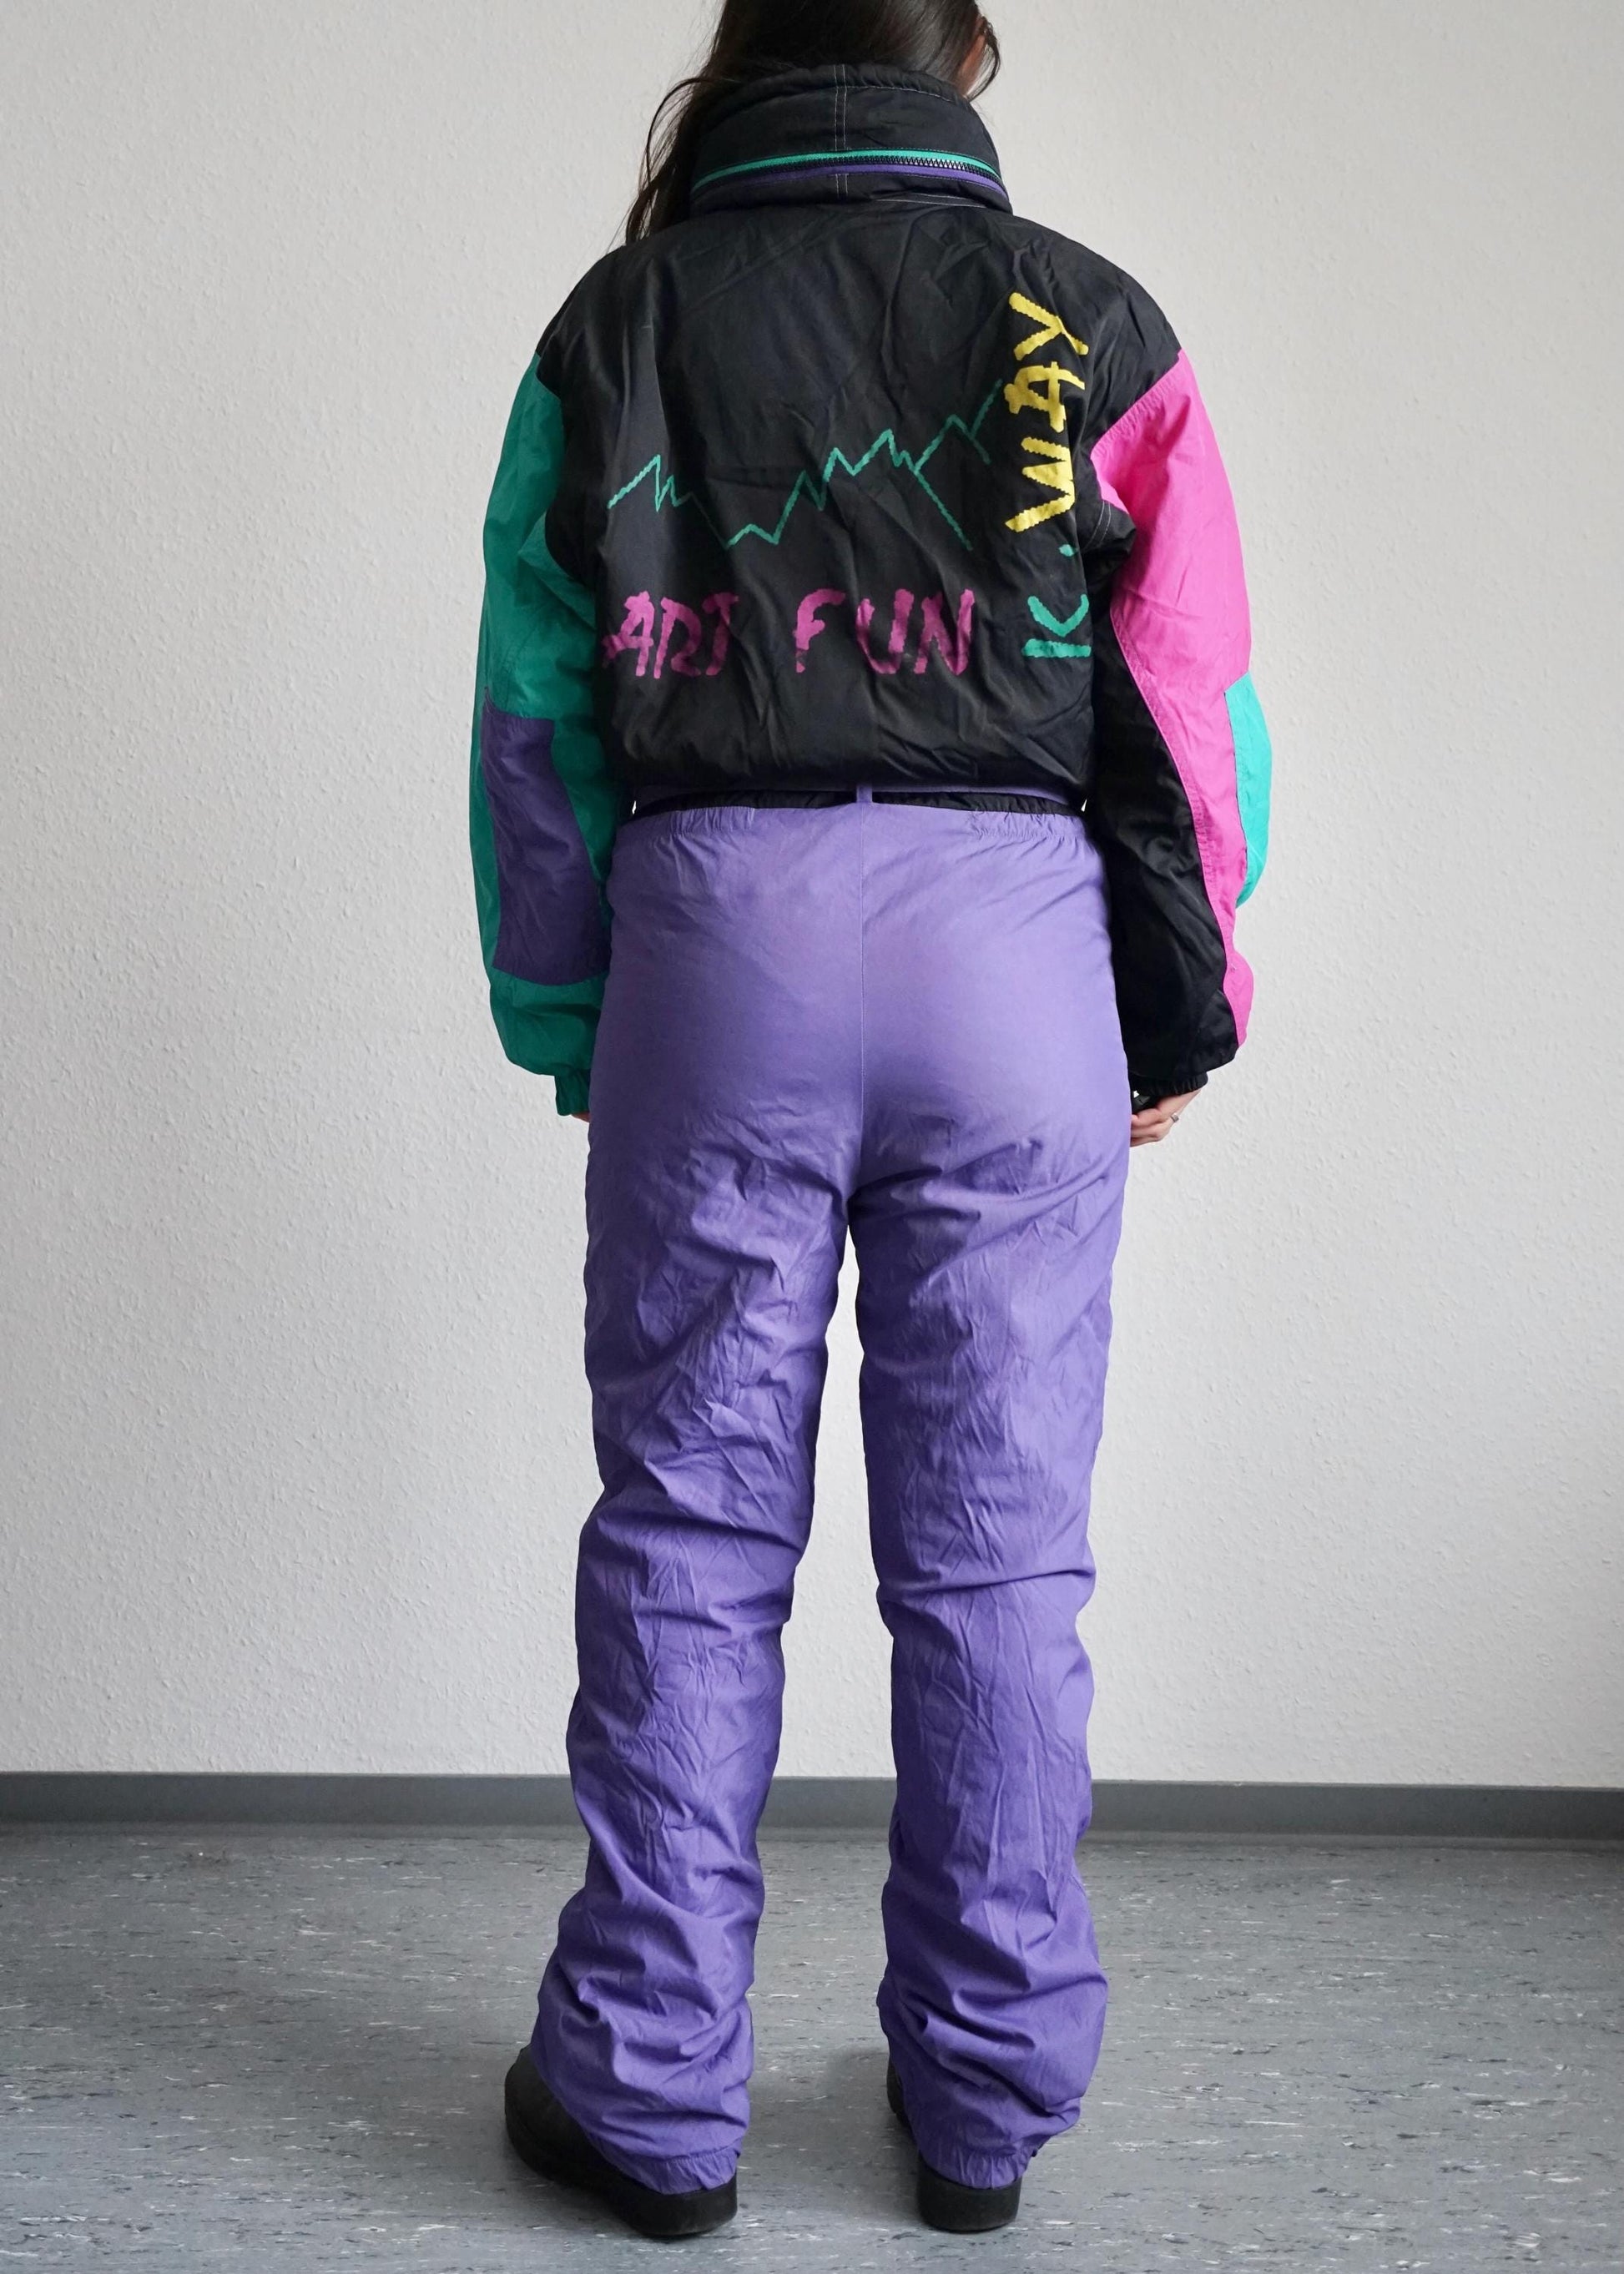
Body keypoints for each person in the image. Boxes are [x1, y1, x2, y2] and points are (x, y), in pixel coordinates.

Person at [469, 0, 1271, 2240]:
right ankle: (987, 2100)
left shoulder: (620, 320)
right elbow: (1192, 696)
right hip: (1012, 961)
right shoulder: (1086, 320)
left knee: (690, 1530)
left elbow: (536, 715)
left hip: (713, 957)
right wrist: (1174, 1004)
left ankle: (647, 2088)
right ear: (956, 59)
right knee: (997, 1548)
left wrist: (574, 1012)